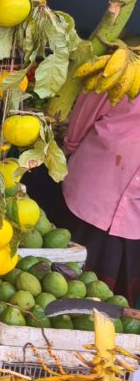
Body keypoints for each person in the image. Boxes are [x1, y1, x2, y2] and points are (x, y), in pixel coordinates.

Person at [62, 91, 140, 305]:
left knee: (117, 305)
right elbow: (88, 110)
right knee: (64, 281)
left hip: (135, 220)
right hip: (93, 193)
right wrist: (71, 146)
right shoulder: (127, 67)